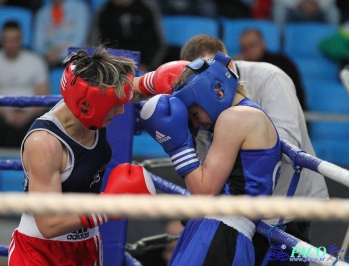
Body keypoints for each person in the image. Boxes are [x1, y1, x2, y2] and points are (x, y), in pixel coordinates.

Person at [179, 34, 330, 266]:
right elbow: (203, 162)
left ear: (226, 64)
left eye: (209, 74)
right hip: (239, 214)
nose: (206, 85)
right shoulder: (200, 108)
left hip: (287, 208)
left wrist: (233, 131)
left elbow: (286, 145)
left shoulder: (269, 77)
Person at [8, 47, 157, 265]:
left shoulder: (90, 107)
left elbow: (140, 88)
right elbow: (49, 225)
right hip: (40, 251)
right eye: (115, 106)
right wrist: (108, 207)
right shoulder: (44, 143)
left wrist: (183, 76)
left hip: (87, 247)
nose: (122, 112)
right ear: (92, 106)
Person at [140, 52, 283, 265]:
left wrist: (178, 146)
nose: (197, 124)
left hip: (220, 233)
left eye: (195, 115)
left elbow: (204, 192)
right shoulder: (248, 115)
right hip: (219, 231)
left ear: (215, 92)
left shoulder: (235, 117)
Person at [0, 20, 50, 148]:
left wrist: (27, 115)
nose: (11, 44)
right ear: (0, 39)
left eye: (15, 39)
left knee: (46, 121)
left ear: (21, 39)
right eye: (7, 39)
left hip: (29, 114)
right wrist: (5, 114)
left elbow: (44, 97)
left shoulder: (36, 61)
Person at [235, 28, 307, 110]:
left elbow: (295, 95)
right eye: (244, 48)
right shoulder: (240, 68)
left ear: (263, 43)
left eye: (252, 45)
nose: (248, 50)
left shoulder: (282, 63)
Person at [87, 0, 167, 73]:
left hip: (143, 67)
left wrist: (147, 65)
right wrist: (106, 65)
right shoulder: (103, 11)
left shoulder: (146, 8)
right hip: (111, 68)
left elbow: (157, 41)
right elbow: (96, 43)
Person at [33, 0, 91, 69]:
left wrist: (59, 55)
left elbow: (80, 40)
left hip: (74, 58)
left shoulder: (80, 8)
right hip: (48, 59)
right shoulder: (42, 13)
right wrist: (48, 54)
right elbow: (37, 44)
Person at [272, 0, 341, 30]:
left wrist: (319, 5)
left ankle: (332, 39)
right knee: (279, 10)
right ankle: (280, 39)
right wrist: (298, 4)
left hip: (318, 10)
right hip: (295, 10)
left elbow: (331, 2)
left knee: (333, 12)